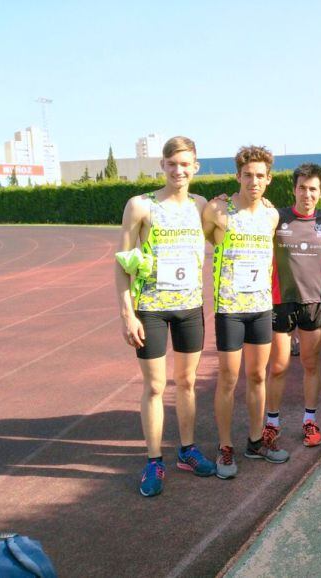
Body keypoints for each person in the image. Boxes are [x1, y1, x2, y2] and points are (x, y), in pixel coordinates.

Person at [115, 136, 215, 497]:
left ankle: (187, 451)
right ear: (163, 165)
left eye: (185, 164)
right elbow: (123, 263)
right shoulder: (140, 206)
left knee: (186, 384)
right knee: (156, 387)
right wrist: (128, 313)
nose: (179, 170)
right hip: (152, 308)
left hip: (190, 307)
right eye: (172, 164)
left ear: (196, 167)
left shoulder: (201, 205)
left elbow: (227, 225)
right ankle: (154, 460)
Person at [202, 145, 286, 480]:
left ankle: (255, 441)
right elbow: (203, 240)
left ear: (268, 180)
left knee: (258, 376)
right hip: (230, 310)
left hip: (261, 308)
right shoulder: (218, 211)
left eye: (260, 176)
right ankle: (225, 447)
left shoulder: (271, 214)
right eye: (247, 175)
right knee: (227, 379)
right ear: (238, 176)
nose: (254, 180)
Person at [266, 163, 321, 449]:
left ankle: (309, 420)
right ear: (294, 189)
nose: (307, 194)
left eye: (313, 189)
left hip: (314, 302)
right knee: (279, 366)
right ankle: (271, 423)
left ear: (320, 192)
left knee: (310, 363)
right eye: (302, 188)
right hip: (281, 301)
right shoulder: (276, 217)